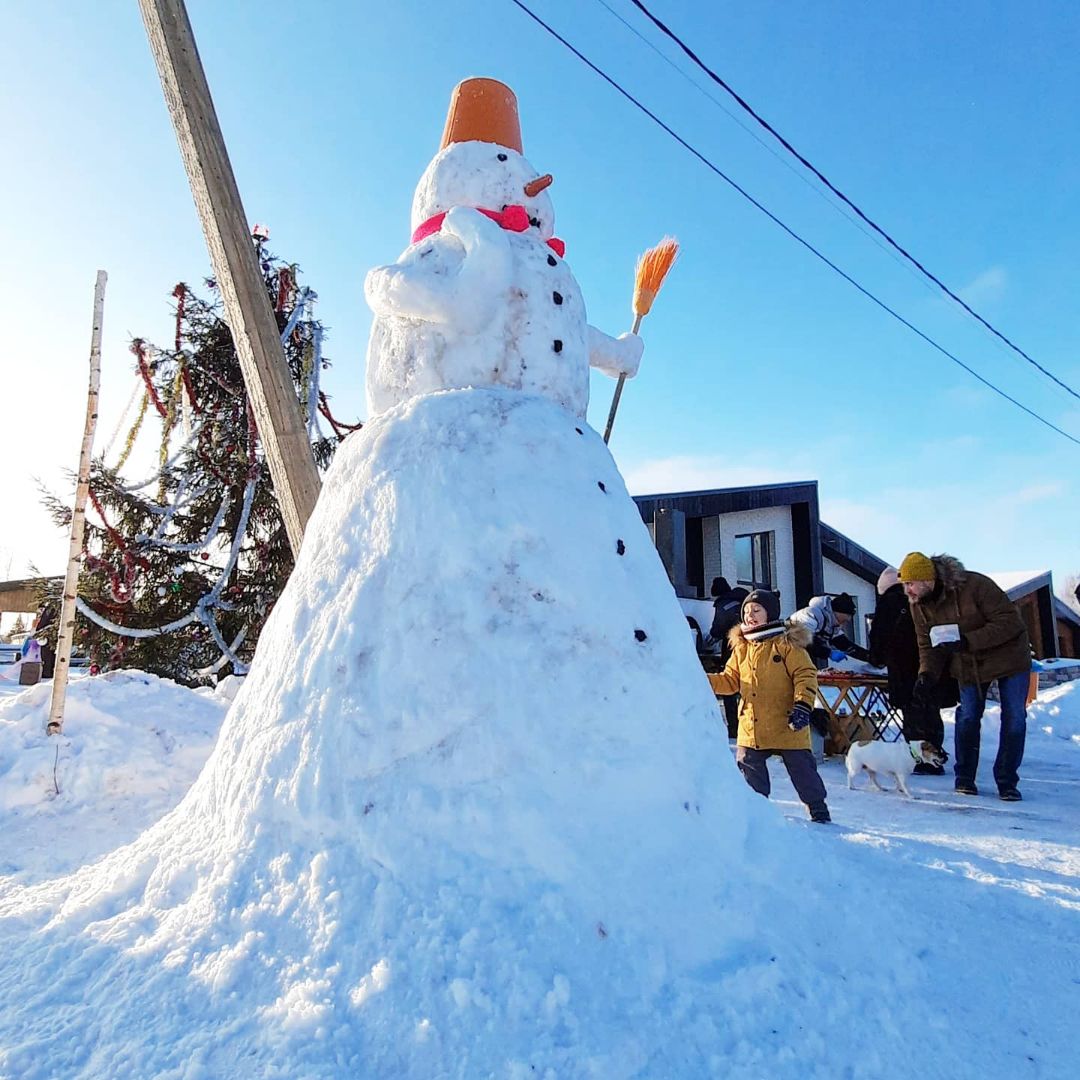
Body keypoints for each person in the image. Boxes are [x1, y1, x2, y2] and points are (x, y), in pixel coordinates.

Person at [898, 552, 1030, 801]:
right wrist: (926, 675)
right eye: (904, 584)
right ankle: (965, 777)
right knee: (968, 716)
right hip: (969, 664)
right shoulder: (918, 605)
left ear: (927, 580)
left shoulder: (975, 586)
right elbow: (927, 644)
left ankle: (1006, 780)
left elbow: (1011, 623)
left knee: (1014, 718)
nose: (907, 590)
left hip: (1010, 658)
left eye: (910, 584)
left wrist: (968, 640)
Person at [708, 588, 831, 823]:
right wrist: (701, 678)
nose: (749, 615)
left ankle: (818, 810)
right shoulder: (742, 647)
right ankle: (758, 813)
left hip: (787, 721)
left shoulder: (786, 643)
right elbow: (729, 681)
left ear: (770, 613)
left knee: (802, 770)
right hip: (752, 724)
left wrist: (803, 705)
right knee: (749, 767)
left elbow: (805, 674)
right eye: (746, 611)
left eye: (756, 610)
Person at [869, 567, 955, 774]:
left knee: (912, 713)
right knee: (931, 711)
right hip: (933, 665)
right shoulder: (924, 597)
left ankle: (919, 760)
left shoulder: (889, 603)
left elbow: (879, 636)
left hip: (903, 668)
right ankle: (935, 756)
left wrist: (877, 658)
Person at [704, 577, 748, 737]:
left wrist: (708, 640)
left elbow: (717, 629)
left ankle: (734, 727)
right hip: (752, 647)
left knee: (729, 684)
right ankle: (748, 724)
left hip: (733, 648)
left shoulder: (724, 605)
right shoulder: (741, 598)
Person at [789, 592, 871, 670]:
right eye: (848, 615)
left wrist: (870, 657)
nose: (849, 619)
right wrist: (829, 653)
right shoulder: (810, 614)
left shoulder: (832, 625)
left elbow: (845, 645)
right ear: (838, 611)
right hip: (782, 650)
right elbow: (805, 640)